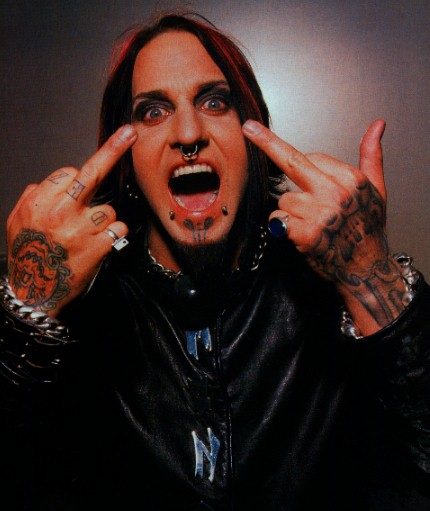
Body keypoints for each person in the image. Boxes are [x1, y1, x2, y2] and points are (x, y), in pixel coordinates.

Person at [0, 12, 429, 511]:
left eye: (215, 102)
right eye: (153, 111)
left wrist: (369, 276)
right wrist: (27, 307)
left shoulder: (323, 287)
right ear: (127, 158)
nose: (188, 132)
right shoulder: (85, 303)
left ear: (252, 137)